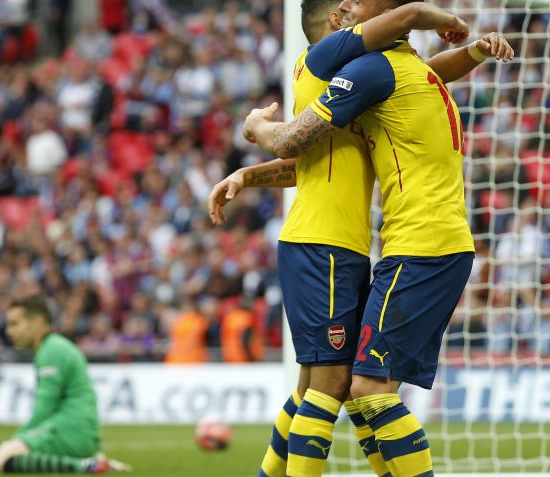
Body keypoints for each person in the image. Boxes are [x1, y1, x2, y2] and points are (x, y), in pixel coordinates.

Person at [210, 1, 503, 475]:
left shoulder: (379, 76)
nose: (350, 5)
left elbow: (300, 154)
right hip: (336, 243)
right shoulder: (345, 65)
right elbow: (294, 147)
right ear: (336, 21)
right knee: (338, 386)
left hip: (404, 245)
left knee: (345, 387)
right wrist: (256, 143)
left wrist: (471, 49)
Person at [0, 296, 130, 474]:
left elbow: (43, 413)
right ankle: (89, 463)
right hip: (77, 430)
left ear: (38, 322)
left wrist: (9, 444)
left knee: (1, 460)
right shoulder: (54, 347)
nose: (9, 331)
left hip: (70, 429)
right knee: (3, 457)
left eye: (15, 324)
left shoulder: (51, 350)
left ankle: (83, 466)